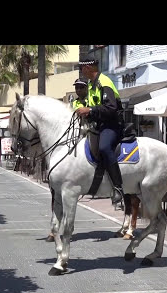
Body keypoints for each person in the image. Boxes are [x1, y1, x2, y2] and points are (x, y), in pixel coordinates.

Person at [75, 57, 124, 205]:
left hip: (112, 125)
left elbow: (111, 108)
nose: (82, 72)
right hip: (98, 125)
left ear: (88, 68)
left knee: (104, 147)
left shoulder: (105, 82)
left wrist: (89, 110)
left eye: (82, 69)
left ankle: (118, 187)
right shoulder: (91, 85)